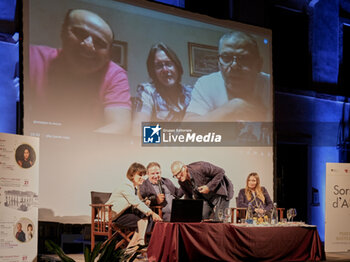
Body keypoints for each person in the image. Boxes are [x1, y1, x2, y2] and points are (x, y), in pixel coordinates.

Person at [29, 9, 131, 134]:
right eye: (80, 33)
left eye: (100, 43)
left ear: (108, 53)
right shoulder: (31, 57)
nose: (88, 45)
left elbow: (120, 125)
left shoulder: (115, 74)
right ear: (63, 32)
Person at [185, 31, 271, 122]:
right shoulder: (206, 84)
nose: (234, 65)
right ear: (218, 63)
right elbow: (187, 128)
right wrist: (231, 108)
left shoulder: (270, 85)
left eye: (243, 58)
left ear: (259, 64)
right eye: (226, 57)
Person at [132, 42, 192, 135]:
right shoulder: (147, 91)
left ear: (177, 66)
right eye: (159, 66)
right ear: (153, 71)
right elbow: (138, 131)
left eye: (169, 64)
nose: (165, 70)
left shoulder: (191, 92)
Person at [106, 162, 162, 251]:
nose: (143, 178)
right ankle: (136, 245)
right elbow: (135, 202)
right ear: (132, 175)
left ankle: (132, 248)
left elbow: (137, 202)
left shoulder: (135, 188)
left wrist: (144, 202)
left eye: (143, 175)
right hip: (113, 216)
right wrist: (152, 213)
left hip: (124, 214)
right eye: (140, 175)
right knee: (142, 220)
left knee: (144, 218)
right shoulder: (126, 186)